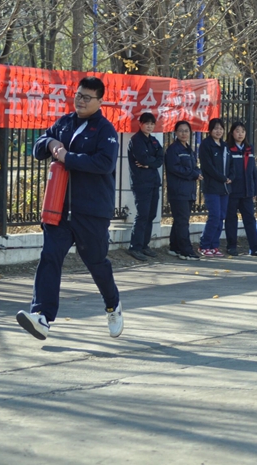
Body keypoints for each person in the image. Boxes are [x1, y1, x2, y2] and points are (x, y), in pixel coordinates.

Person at [16, 76, 123, 340]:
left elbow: (104, 164)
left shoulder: (105, 131)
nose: (81, 101)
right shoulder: (64, 123)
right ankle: (42, 316)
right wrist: (51, 144)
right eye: (78, 95)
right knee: (50, 256)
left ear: (100, 101)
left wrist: (67, 157)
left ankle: (113, 305)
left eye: (87, 97)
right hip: (59, 209)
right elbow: (39, 147)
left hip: (92, 211)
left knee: (96, 263)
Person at [224, 122, 257, 257]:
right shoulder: (228, 149)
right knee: (231, 219)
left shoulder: (249, 149)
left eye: (243, 131)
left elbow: (253, 171)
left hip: (247, 191)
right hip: (232, 191)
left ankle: (255, 248)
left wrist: (254, 190)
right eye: (237, 131)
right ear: (232, 133)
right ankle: (231, 246)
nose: (240, 134)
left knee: (250, 220)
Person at [126, 112, 163, 261]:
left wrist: (150, 164)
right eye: (146, 123)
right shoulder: (136, 140)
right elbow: (143, 159)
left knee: (151, 215)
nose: (149, 126)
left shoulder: (153, 141)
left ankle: (144, 245)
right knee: (142, 215)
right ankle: (135, 247)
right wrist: (150, 162)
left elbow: (160, 159)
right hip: (141, 183)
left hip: (153, 182)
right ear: (140, 124)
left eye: (152, 124)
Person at [165, 120, 202, 261]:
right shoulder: (173, 149)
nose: (183, 133)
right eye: (180, 131)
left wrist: (197, 172)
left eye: (186, 131)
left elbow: (195, 166)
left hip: (189, 190)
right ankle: (186, 250)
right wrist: (193, 174)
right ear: (175, 132)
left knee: (180, 220)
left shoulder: (188, 149)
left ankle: (174, 247)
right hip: (178, 191)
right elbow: (175, 169)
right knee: (182, 221)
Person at [199, 118, 234, 257]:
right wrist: (223, 178)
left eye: (221, 128)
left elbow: (231, 165)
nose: (218, 131)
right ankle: (204, 245)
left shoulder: (225, 146)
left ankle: (214, 245)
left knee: (221, 217)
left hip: (225, 188)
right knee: (214, 216)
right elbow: (208, 167)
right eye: (215, 128)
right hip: (212, 187)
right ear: (210, 130)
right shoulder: (206, 145)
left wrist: (231, 177)